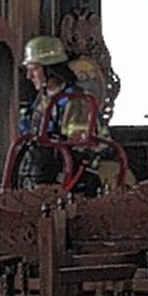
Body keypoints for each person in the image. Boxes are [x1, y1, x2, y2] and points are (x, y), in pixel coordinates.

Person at [13, 35, 89, 189]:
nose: (29, 76)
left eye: (34, 69)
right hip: (36, 167)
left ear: (50, 70)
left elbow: (77, 144)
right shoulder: (43, 98)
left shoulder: (74, 99)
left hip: (62, 172)